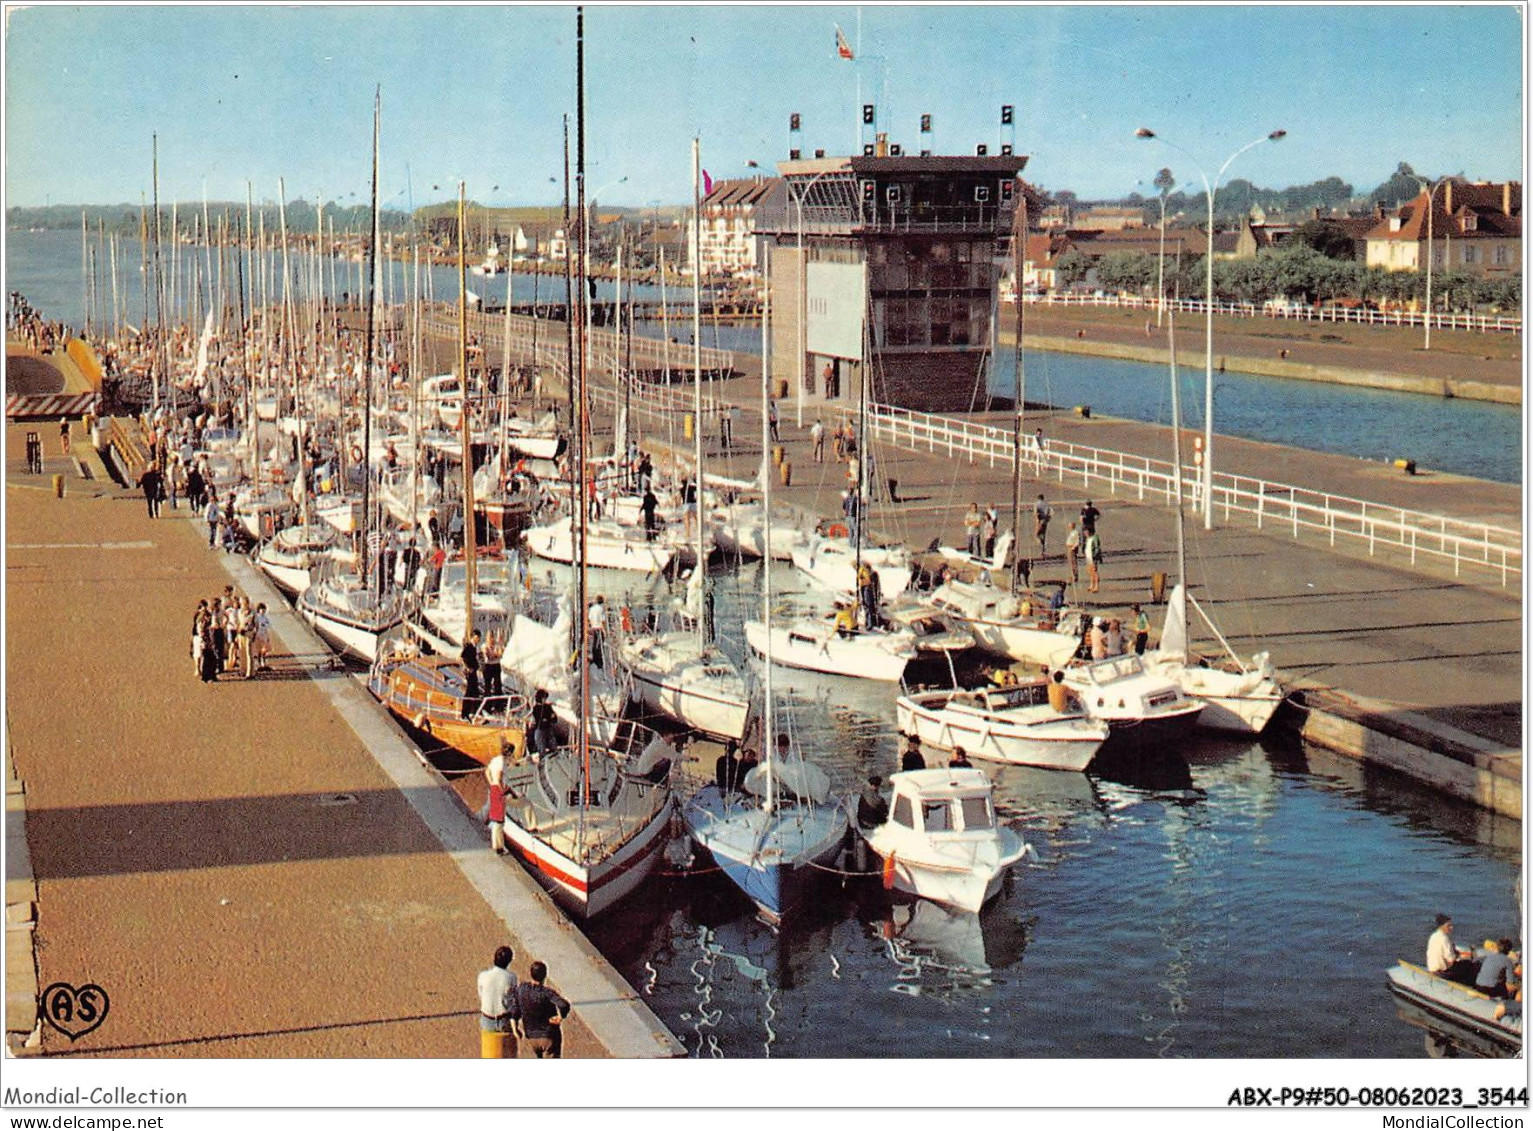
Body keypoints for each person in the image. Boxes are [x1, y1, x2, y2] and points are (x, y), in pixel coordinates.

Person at [513, 961, 570, 1058]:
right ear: (545, 976)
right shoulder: (547, 993)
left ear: (531, 974)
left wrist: (516, 1027)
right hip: (549, 1035)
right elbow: (564, 1005)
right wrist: (560, 1016)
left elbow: (515, 1008)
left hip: (531, 1036)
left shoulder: (522, 989)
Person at [477, 946, 519, 1058]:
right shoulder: (511, 977)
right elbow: (513, 999)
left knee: (489, 1053)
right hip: (504, 1018)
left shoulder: (483, 976)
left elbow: (481, 995)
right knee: (508, 1053)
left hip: (487, 1018)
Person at [1427, 913, 1475, 985]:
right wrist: (1461, 955)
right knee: (1470, 965)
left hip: (1431, 968)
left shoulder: (1433, 936)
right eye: (1449, 925)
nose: (1451, 927)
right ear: (1441, 926)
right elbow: (1451, 959)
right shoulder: (1444, 938)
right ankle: (1469, 988)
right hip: (1441, 973)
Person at [460, 630, 482, 720]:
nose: (478, 639)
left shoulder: (475, 647)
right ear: (473, 637)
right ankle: (464, 713)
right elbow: (462, 657)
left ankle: (472, 711)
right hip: (470, 672)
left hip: (474, 672)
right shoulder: (469, 646)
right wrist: (467, 668)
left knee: (475, 691)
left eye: (479, 638)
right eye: (476, 637)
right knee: (469, 692)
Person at [528, 689, 556, 757]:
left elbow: (554, 718)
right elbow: (538, 718)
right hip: (540, 729)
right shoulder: (536, 708)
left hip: (548, 728)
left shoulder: (548, 707)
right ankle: (541, 756)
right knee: (541, 747)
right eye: (543, 698)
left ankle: (552, 754)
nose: (545, 700)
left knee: (553, 746)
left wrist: (549, 718)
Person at [251, 603, 273, 672]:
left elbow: (269, 624)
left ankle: (264, 663)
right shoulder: (257, 616)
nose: (263, 611)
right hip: (258, 635)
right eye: (262, 609)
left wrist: (265, 625)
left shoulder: (265, 617)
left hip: (264, 634)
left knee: (264, 650)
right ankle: (259, 664)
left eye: (264, 609)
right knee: (258, 651)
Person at [587, 596, 607, 669]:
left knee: (594, 644)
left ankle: (594, 660)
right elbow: (603, 621)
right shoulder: (601, 609)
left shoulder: (592, 609)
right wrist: (604, 631)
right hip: (599, 628)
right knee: (599, 646)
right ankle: (599, 663)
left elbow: (589, 619)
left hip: (593, 628)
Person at [1085, 529, 1102, 593]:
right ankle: (1091, 585)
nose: (1085, 533)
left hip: (1093, 558)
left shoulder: (1094, 538)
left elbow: (1097, 548)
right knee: (1090, 572)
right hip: (1088, 557)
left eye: (1086, 532)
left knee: (1095, 572)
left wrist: (1096, 556)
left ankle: (1096, 587)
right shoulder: (1087, 539)